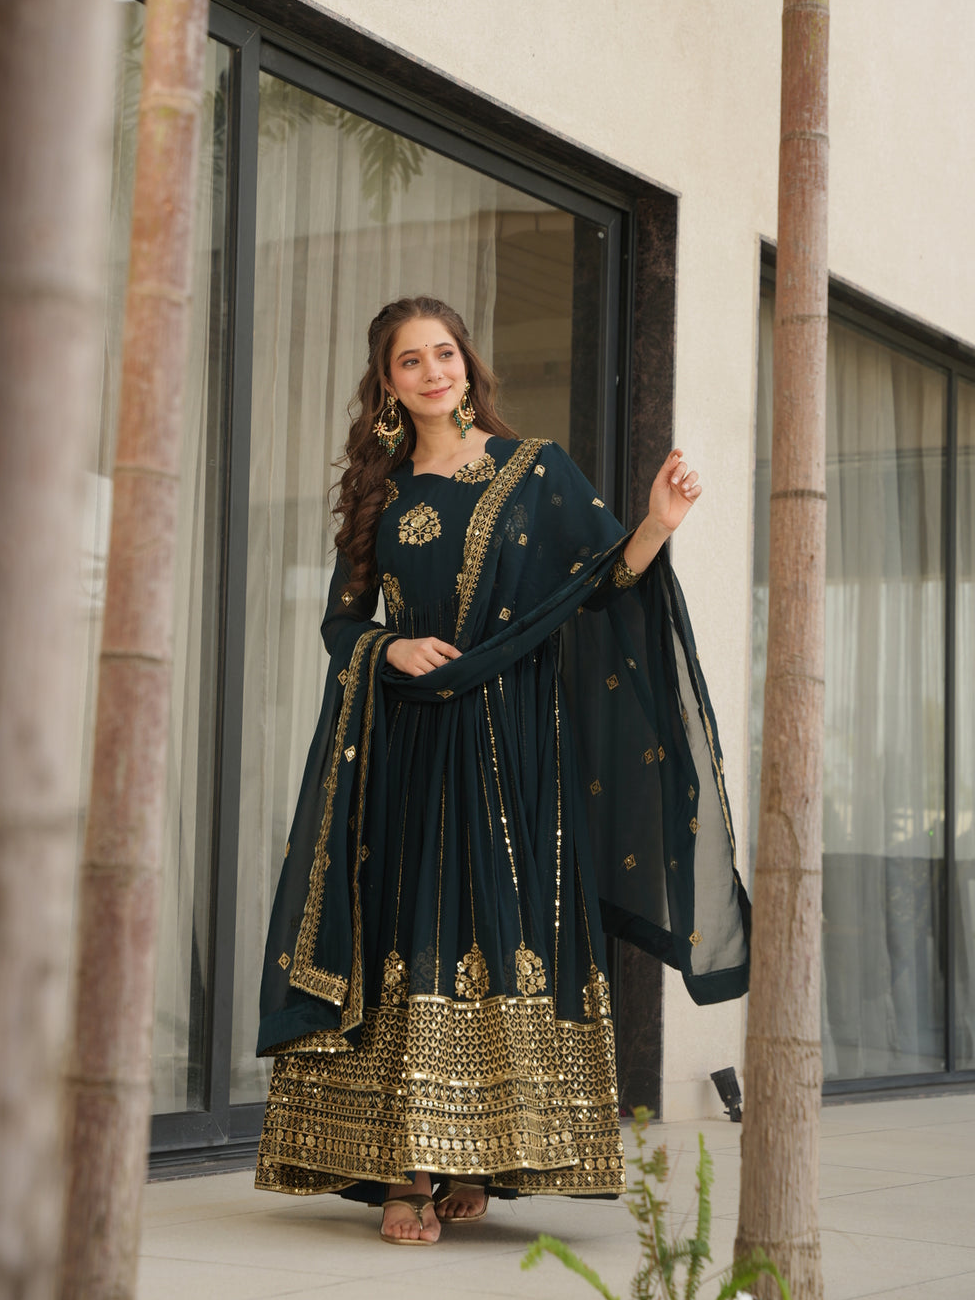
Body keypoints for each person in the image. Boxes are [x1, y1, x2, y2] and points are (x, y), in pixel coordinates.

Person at [255, 297, 750, 1246]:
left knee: (498, 924)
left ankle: (480, 1159)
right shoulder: (381, 493)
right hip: (407, 745)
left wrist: (656, 522)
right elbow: (341, 624)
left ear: (467, 365)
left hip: (515, 740)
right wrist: (387, 652)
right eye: (411, 361)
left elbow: (606, 580)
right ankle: (406, 1175)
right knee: (410, 921)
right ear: (388, 383)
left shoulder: (536, 471)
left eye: (445, 353)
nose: (433, 371)